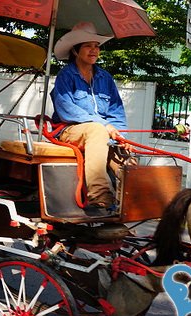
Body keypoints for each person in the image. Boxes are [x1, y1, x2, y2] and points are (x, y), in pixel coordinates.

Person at [50, 22, 135, 214]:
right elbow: (66, 110)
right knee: (96, 130)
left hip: (101, 134)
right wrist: (105, 125)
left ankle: (131, 202)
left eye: (96, 46)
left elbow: (116, 110)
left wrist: (120, 137)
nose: (94, 50)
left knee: (127, 161)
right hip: (68, 130)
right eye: (88, 46)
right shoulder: (65, 75)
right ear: (75, 50)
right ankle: (99, 197)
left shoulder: (106, 78)